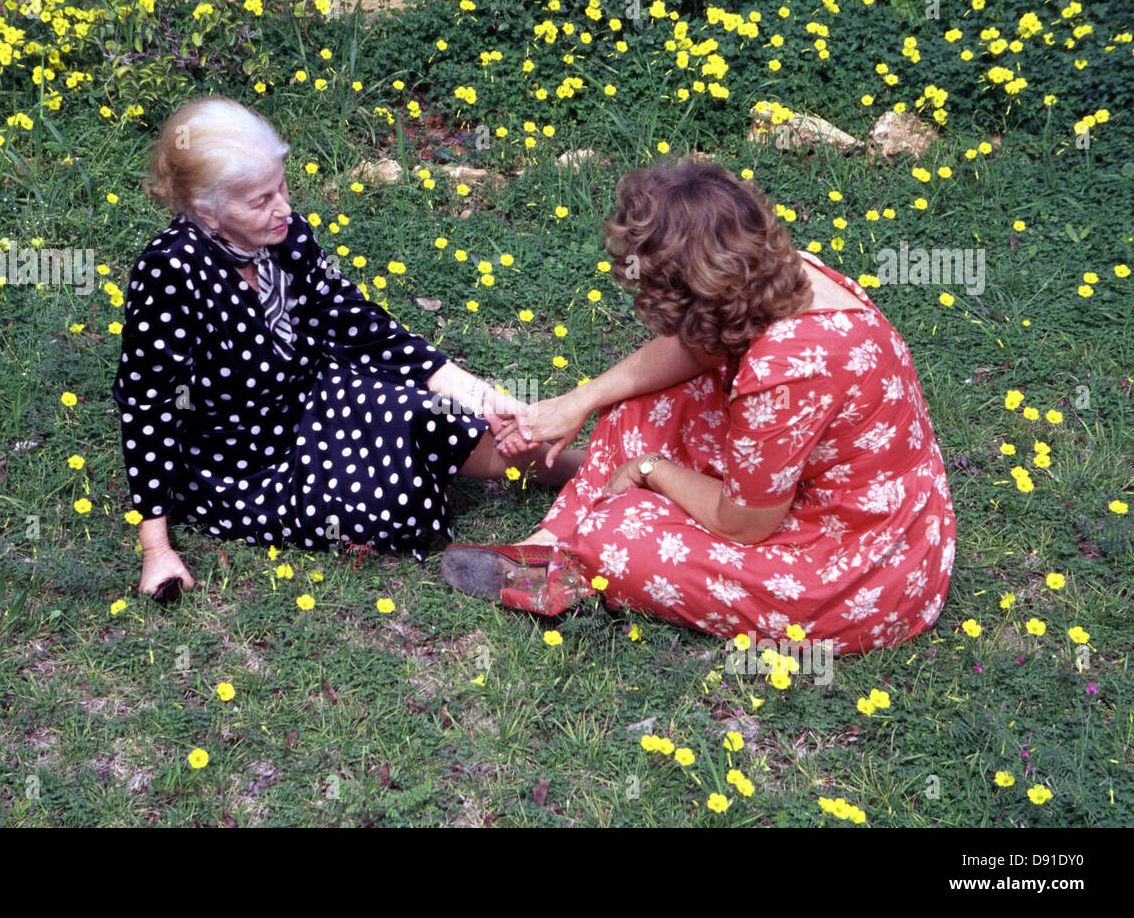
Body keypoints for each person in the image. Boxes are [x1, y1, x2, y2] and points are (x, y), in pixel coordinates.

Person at [443, 158, 956, 656]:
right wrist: (582, 399)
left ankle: (576, 553)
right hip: (813, 488)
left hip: (861, 561)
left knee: (618, 536)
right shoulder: (776, 271)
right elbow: (694, 348)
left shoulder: (787, 370)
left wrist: (652, 469)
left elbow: (744, 525)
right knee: (637, 402)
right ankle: (550, 542)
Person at [114, 95, 581, 597]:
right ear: (207, 211)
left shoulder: (283, 235)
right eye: (260, 200)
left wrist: (484, 397)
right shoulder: (171, 271)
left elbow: (359, 323)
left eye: (283, 186)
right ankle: (589, 482)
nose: (284, 209)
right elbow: (149, 405)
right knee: (379, 508)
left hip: (313, 398)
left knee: (433, 416)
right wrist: (156, 550)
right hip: (246, 465)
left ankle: (591, 468)